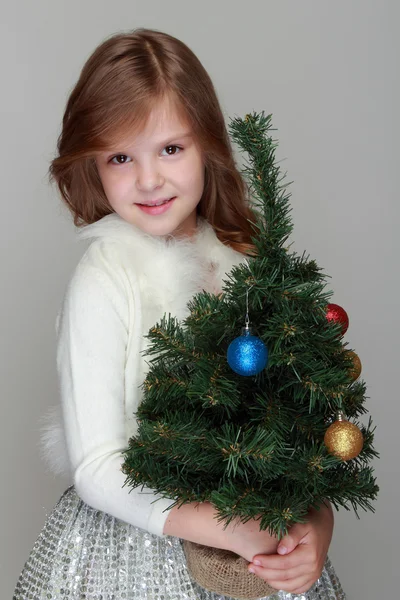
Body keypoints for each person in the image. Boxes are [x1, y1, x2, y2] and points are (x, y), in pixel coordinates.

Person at [14, 29, 345, 600]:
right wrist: (226, 528)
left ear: (208, 146)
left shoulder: (246, 267)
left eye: (171, 148)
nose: (148, 179)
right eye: (121, 157)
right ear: (92, 166)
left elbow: (302, 438)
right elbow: (97, 467)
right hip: (131, 559)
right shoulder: (106, 276)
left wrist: (316, 528)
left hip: (262, 551)